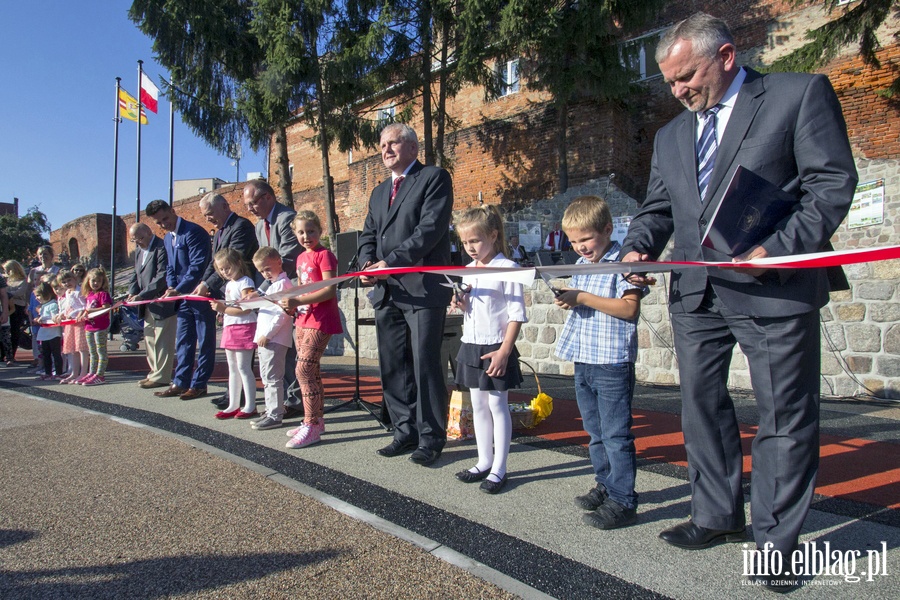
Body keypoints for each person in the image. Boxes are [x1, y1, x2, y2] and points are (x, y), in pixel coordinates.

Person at [619, 13, 857, 588]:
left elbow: (831, 184)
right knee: (701, 407)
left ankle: (776, 544)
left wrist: (777, 248)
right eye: (669, 83)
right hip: (695, 293)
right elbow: (657, 210)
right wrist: (635, 250)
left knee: (784, 414)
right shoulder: (672, 135)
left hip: (773, 290)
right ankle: (716, 514)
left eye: (687, 77)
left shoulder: (797, 95)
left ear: (726, 55)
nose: (678, 93)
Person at [358, 123, 454, 466]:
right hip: (387, 291)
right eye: (382, 145)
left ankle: (430, 437)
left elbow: (429, 230)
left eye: (393, 143)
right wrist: (368, 263)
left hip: (422, 289)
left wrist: (388, 262)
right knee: (393, 365)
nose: (385, 149)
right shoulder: (379, 192)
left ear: (412, 148)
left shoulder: (434, 178)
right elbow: (368, 233)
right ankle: (404, 430)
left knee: (425, 365)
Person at [553, 196, 646, 529]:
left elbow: (628, 309)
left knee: (616, 434)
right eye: (574, 241)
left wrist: (581, 298)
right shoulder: (581, 265)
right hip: (584, 358)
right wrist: (570, 299)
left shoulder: (624, 261)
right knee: (594, 431)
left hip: (610, 361)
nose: (580, 247)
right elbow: (584, 302)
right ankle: (605, 484)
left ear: (607, 230)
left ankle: (624, 499)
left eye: (586, 239)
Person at [451, 205, 526, 494]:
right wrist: (460, 302)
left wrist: (505, 350)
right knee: (478, 405)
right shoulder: (467, 271)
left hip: (497, 345)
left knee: (498, 404)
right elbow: (470, 308)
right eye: (465, 242)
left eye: (476, 241)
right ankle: (484, 460)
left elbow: (516, 313)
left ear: (493, 236)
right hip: (471, 343)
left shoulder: (508, 268)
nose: (470, 248)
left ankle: (500, 468)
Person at [280, 212, 342, 448]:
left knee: (303, 369)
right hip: (304, 317)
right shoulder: (300, 258)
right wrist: (292, 302)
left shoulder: (325, 255)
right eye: (301, 232)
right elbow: (302, 286)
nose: (306, 236)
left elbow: (328, 290)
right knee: (310, 371)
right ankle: (315, 421)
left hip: (321, 318)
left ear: (320, 230)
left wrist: (296, 301)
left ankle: (311, 423)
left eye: (311, 231)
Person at [242, 179, 303, 417]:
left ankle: (296, 400)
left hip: (291, 292)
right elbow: (262, 260)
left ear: (268, 197)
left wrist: (261, 290)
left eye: (252, 203)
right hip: (273, 294)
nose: (249, 209)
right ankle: (288, 398)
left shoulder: (287, 218)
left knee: (292, 350)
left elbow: (286, 259)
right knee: (280, 351)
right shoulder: (260, 226)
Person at [146, 199, 217, 401]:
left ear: (173, 211)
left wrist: (178, 289)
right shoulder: (168, 238)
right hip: (182, 298)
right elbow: (170, 266)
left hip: (200, 295)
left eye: (165, 218)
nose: (163, 224)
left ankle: (199, 384)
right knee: (184, 341)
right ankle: (180, 382)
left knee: (205, 342)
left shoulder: (194, 232)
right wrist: (171, 286)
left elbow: (197, 266)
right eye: (158, 223)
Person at [247, 247, 296, 431]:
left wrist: (267, 335)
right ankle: (270, 411)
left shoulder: (283, 284)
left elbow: (282, 314)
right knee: (267, 377)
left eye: (267, 268)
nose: (265, 273)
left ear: (279, 262)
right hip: (267, 338)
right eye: (261, 271)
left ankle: (275, 415)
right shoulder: (273, 284)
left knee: (273, 377)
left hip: (274, 338)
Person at [209, 248, 259, 420]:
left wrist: (224, 309)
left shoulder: (246, 282)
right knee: (232, 368)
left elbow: (246, 309)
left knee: (244, 368)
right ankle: (233, 403)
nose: (225, 272)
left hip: (244, 326)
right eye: (221, 269)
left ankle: (250, 405)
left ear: (238, 264)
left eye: (227, 268)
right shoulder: (229, 284)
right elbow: (233, 307)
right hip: (230, 327)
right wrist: (222, 309)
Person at [126, 223, 177, 389]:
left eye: (140, 238)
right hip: (146, 304)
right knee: (149, 338)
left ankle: (162, 376)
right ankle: (154, 372)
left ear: (149, 232)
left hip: (161, 302)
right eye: (134, 240)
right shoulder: (139, 251)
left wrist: (143, 294)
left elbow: (162, 275)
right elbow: (136, 274)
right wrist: (132, 292)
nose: (138, 243)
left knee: (163, 340)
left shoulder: (161, 247)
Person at [75, 268, 113, 386]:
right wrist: (82, 313)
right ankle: (91, 372)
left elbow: (106, 307)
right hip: (89, 326)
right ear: (88, 281)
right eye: (93, 281)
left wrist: (90, 310)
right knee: (92, 352)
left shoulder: (103, 294)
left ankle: (100, 375)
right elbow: (85, 309)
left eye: (98, 281)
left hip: (100, 326)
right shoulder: (89, 295)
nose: (95, 283)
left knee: (101, 350)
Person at [55, 269, 88, 384]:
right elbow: (66, 307)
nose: (67, 283)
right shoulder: (68, 293)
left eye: (69, 280)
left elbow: (84, 306)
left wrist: (74, 313)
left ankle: (83, 373)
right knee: (72, 349)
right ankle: (74, 372)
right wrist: (62, 314)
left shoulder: (79, 291)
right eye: (64, 282)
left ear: (75, 279)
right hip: (70, 323)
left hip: (79, 322)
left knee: (81, 348)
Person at [33, 281, 62, 380]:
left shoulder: (53, 304)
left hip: (53, 333)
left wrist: (43, 317)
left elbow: (54, 316)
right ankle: (48, 372)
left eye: (38, 295)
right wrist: (39, 318)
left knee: (56, 353)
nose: (37, 298)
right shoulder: (43, 306)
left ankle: (59, 372)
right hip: (44, 333)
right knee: (46, 354)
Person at [3, 260, 29, 365]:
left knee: (15, 330)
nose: (6, 272)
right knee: (4, 331)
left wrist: (6, 293)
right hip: (7, 305)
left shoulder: (23, 280)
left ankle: (12, 354)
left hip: (18, 307)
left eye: (8, 269)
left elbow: (19, 293)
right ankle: (3, 354)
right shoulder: (6, 280)